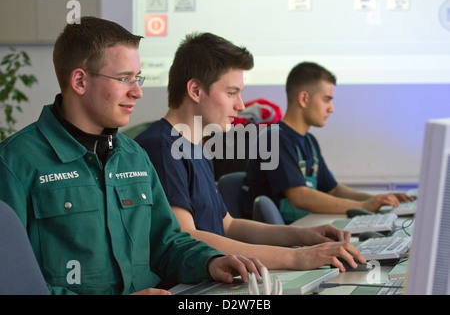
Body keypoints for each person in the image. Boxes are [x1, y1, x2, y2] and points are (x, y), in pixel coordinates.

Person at [0, 17, 263, 295]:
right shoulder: (15, 163)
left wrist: (210, 261)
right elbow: (13, 283)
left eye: (137, 78)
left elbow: (166, 242)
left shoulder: (133, 154)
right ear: (79, 80)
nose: (137, 91)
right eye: (124, 78)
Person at [135, 32, 366, 273]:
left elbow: (229, 225)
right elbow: (188, 237)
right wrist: (296, 257)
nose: (242, 105)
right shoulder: (161, 148)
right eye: (231, 93)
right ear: (195, 90)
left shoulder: (198, 148)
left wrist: (303, 235)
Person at [240, 61, 414, 224]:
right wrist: (363, 207)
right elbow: (299, 196)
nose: (331, 108)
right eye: (326, 99)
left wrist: (377, 200)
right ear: (304, 99)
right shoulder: (275, 138)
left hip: (301, 227)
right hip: (278, 239)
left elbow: (334, 190)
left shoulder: (309, 141)